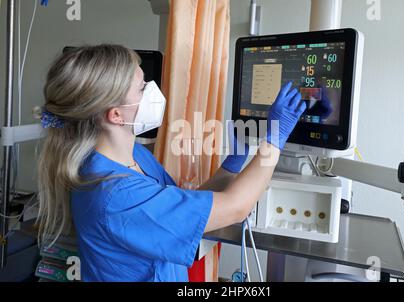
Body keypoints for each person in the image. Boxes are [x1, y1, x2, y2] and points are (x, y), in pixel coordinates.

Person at [37, 44, 305, 281]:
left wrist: (233, 163)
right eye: (142, 88)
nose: (152, 91)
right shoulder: (115, 194)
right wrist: (275, 139)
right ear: (116, 115)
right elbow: (236, 208)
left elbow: (185, 211)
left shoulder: (132, 156)